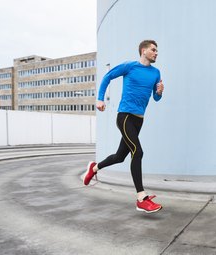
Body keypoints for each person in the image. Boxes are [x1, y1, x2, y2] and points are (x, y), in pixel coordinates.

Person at [83, 40, 164, 213]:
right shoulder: (129, 66)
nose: (156, 53)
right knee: (138, 152)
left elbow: (155, 99)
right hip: (125, 116)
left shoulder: (156, 73)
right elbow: (108, 77)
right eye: (153, 50)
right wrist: (100, 98)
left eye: (157, 50)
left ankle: (94, 168)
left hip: (139, 119)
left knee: (120, 156)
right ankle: (141, 198)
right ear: (143, 51)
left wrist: (159, 92)